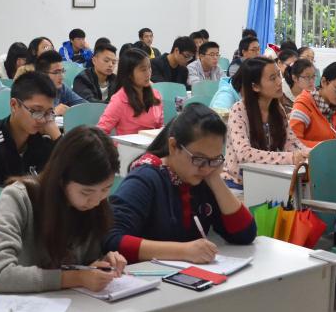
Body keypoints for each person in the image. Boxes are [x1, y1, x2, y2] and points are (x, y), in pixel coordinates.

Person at [0, 126, 126, 295]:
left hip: (63, 301)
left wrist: (101, 265)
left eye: (106, 189)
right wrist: (76, 278)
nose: (96, 201)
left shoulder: (94, 204)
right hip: (9, 302)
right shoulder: (19, 198)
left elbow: (82, 264)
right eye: (86, 192)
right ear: (61, 179)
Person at [105, 103, 256, 263]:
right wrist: (183, 251)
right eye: (199, 159)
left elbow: (245, 234)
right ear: (173, 146)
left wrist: (215, 179)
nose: (206, 168)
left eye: (214, 159)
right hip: (147, 274)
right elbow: (112, 240)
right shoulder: (146, 178)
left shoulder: (203, 178)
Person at [222, 58, 310, 187]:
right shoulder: (239, 110)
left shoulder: (277, 109)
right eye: (273, 78)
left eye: (279, 75)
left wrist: (310, 153)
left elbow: (291, 142)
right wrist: (290, 157)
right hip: (237, 183)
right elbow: (244, 154)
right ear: (255, 86)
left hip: (265, 179)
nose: (279, 82)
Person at [97, 48, 164, 136]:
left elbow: (160, 127)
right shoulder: (120, 100)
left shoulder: (156, 95)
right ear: (129, 74)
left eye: (149, 68)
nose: (148, 73)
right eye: (143, 69)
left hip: (153, 144)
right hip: (127, 144)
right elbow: (101, 131)